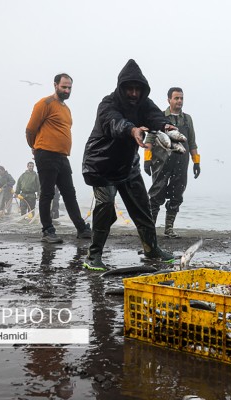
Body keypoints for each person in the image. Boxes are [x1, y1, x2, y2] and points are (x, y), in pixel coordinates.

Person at [81, 59, 176, 270]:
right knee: (105, 207)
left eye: (137, 89)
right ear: (121, 88)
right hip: (101, 165)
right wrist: (133, 130)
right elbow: (115, 123)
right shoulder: (107, 104)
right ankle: (93, 255)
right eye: (129, 89)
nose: (134, 93)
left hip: (128, 165)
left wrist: (166, 126)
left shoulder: (144, 104)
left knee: (142, 207)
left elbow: (155, 116)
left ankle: (152, 249)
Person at [25, 73, 91, 243]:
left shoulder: (66, 109)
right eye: (64, 87)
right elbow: (30, 130)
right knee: (47, 193)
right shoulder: (45, 103)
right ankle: (47, 231)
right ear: (55, 85)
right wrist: (35, 147)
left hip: (62, 156)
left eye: (69, 87)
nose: (67, 90)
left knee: (70, 193)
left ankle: (82, 229)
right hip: (45, 154)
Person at [143, 87, 200, 238]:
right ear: (169, 100)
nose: (179, 101)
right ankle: (150, 230)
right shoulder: (159, 117)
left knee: (177, 195)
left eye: (181, 98)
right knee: (156, 195)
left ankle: (169, 229)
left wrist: (196, 162)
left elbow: (192, 142)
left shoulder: (187, 119)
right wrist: (147, 160)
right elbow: (149, 139)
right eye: (176, 98)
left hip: (181, 162)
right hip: (161, 162)